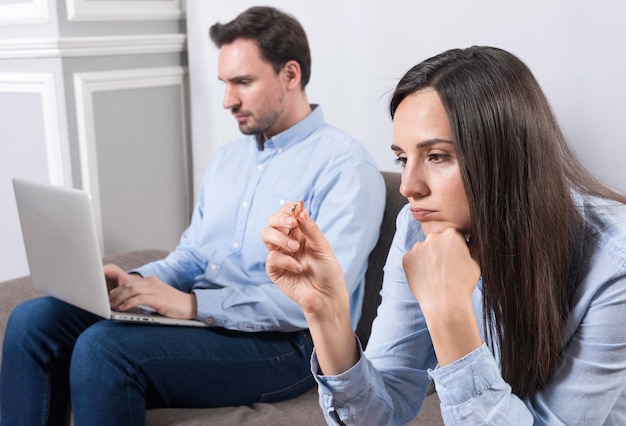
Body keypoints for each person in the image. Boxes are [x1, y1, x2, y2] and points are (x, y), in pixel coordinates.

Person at [0, 6, 385, 425]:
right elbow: (195, 255)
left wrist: (193, 304)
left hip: (290, 344)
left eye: (242, 82)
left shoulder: (346, 168)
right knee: (32, 320)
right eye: (224, 83)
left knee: (102, 348)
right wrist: (142, 281)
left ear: (290, 75)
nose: (227, 100)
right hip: (210, 320)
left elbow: (321, 302)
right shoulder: (227, 160)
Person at [261, 46, 626, 424]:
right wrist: (327, 312)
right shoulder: (416, 229)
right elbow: (378, 415)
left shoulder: (614, 265)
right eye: (403, 159)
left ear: (504, 157)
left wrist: (450, 314)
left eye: (436, 156)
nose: (408, 186)